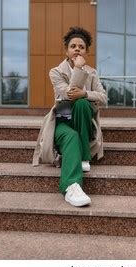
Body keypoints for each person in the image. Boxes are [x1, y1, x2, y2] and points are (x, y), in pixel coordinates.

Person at [33, 27, 107, 207]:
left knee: (82, 103)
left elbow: (103, 97)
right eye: (73, 46)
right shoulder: (56, 72)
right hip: (62, 121)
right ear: (66, 50)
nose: (77, 49)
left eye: (81, 47)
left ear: (86, 52)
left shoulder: (93, 73)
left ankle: (83, 157)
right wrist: (78, 69)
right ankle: (71, 187)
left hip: (83, 121)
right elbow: (69, 94)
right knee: (71, 133)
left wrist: (85, 94)